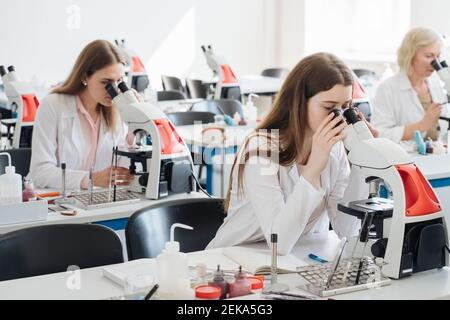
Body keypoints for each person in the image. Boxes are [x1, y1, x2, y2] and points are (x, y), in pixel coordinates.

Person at [207, 53, 376, 255]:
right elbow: (280, 243)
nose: (339, 118)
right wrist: (313, 171)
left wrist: (361, 163)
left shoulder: (336, 149)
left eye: (346, 108)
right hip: (234, 260)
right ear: (299, 103)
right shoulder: (261, 149)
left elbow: (347, 230)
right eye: (330, 108)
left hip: (298, 258)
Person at [29, 40, 134, 190]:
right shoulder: (53, 105)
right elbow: (39, 173)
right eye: (106, 82)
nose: (115, 90)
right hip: (60, 202)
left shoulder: (117, 110)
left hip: (100, 200)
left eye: (119, 81)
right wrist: (91, 179)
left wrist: (134, 127)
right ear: (85, 77)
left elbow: (122, 172)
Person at [371, 27, 449, 143]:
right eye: (428, 56)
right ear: (410, 55)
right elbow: (380, 134)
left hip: (437, 154)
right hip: (407, 157)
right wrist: (423, 125)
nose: (435, 63)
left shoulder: (435, 83)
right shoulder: (388, 88)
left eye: (437, 56)